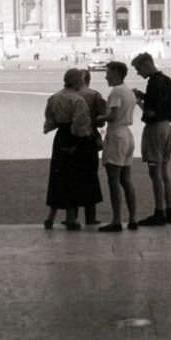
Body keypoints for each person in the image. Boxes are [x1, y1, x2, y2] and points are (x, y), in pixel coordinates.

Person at [42, 69, 102, 230]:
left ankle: (51, 216)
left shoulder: (54, 98)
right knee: (73, 178)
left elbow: (49, 122)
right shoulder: (78, 100)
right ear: (77, 82)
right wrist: (80, 142)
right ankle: (70, 218)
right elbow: (79, 125)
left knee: (58, 176)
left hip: (60, 137)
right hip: (75, 140)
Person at [131, 52, 171, 226]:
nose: (138, 73)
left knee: (154, 172)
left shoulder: (153, 83)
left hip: (155, 129)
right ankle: (169, 211)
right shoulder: (166, 80)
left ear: (146, 65)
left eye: (138, 69)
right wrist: (143, 96)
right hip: (167, 127)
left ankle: (159, 212)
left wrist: (137, 101)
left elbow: (150, 111)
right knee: (164, 171)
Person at [99, 61, 138, 232]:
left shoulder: (116, 92)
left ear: (115, 73)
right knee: (126, 179)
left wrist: (97, 118)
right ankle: (133, 217)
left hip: (116, 135)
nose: (106, 76)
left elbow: (113, 116)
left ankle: (116, 220)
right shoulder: (128, 91)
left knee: (113, 180)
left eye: (108, 72)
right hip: (127, 135)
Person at [76, 68, 107, 226]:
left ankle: (72, 216)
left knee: (72, 177)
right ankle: (90, 216)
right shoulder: (95, 95)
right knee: (90, 177)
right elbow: (102, 119)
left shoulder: (68, 95)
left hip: (71, 139)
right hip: (89, 138)